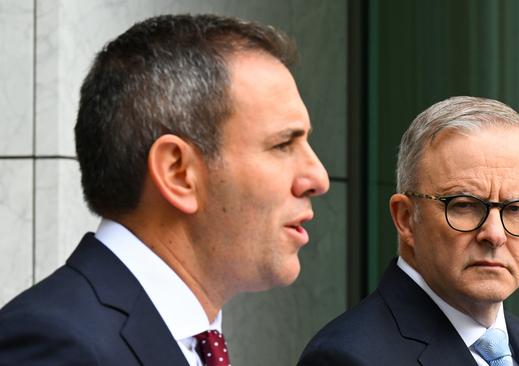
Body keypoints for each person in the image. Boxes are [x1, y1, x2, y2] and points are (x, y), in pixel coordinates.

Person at [0, 14, 329, 365]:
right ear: (177, 172)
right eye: (283, 145)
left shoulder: (189, 339)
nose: (318, 178)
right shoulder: (59, 345)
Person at [299, 96, 519, 365]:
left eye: (516, 209)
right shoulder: (345, 358)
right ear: (405, 218)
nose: (495, 234)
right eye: (464, 206)